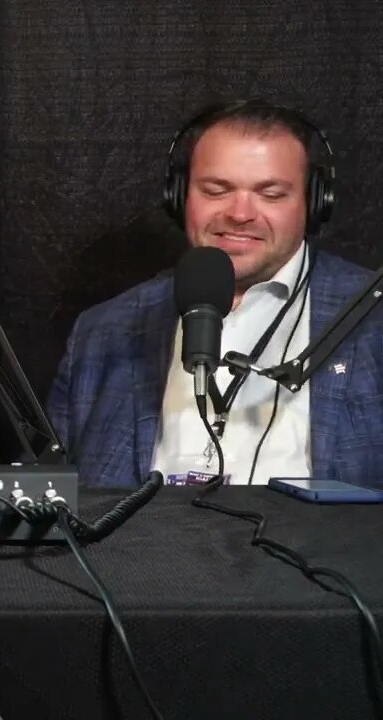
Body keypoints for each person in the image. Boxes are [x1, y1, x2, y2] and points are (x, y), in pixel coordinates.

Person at [47, 98, 383, 489]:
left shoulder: (371, 318)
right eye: (216, 190)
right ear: (179, 197)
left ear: (314, 203)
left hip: (315, 551)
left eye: (270, 194)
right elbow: (46, 492)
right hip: (140, 549)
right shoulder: (104, 330)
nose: (240, 213)